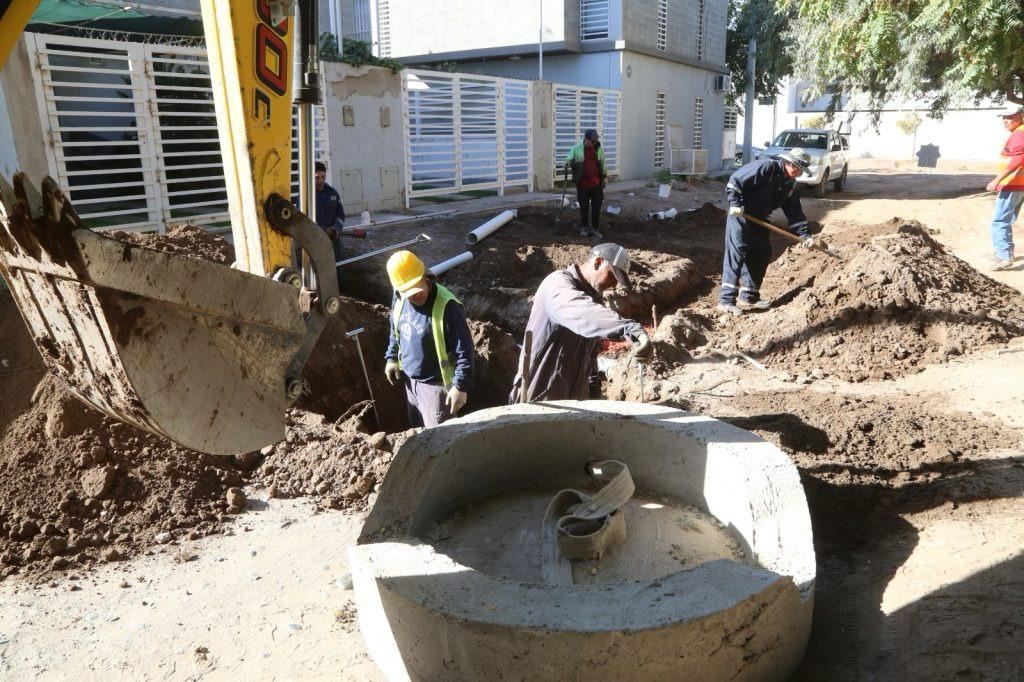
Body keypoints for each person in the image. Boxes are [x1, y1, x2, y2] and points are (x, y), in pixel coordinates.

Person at [511, 243, 652, 403]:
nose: (614, 285)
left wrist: (593, 389)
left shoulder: (592, 298)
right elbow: (581, 313)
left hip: (572, 401)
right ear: (598, 262)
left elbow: (589, 354)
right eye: (613, 276)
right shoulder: (557, 284)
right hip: (538, 397)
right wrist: (628, 329)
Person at [718, 148, 816, 316]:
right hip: (741, 215)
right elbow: (735, 181)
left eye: (801, 170)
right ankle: (726, 301)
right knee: (737, 253)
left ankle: (749, 296)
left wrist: (804, 235)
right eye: (797, 168)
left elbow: (794, 212)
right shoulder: (766, 167)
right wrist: (735, 203)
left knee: (762, 252)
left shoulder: (790, 184)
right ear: (788, 163)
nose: (799, 172)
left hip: (760, 219)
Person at [384, 250, 475, 428]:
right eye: (407, 292)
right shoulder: (399, 297)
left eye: (417, 287)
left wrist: (461, 386)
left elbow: (464, 349)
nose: (414, 295)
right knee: (417, 432)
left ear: (424, 275)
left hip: (436, 388)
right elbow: (397, 328)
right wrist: (392, 357)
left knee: (439, 440)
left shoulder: (448, 306)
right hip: (411, 382)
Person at [985, 105, 1024, 271]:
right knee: (1006, 220)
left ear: (1021, 116)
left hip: (1012, 184)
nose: (1005, 121)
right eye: (1003, 117)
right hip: (1019, 185)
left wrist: (997, 179)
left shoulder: (1018, 134)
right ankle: (1007, 251)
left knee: (999, 221)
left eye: (1010, 117)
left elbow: (1018, 159)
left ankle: (1003, 257)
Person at [565, 128, 607, 239]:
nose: (594, 143)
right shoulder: (576, 149)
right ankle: (584, 227)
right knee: (584, 207)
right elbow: (569, 160)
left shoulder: (599, 149)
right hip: (582, 184)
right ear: (586, 139)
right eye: (592, 141)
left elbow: (602, 164)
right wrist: (566, 164)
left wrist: (605, 177)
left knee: (596, 206)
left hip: (596, 184)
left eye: (595, 141)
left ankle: (595, 228)